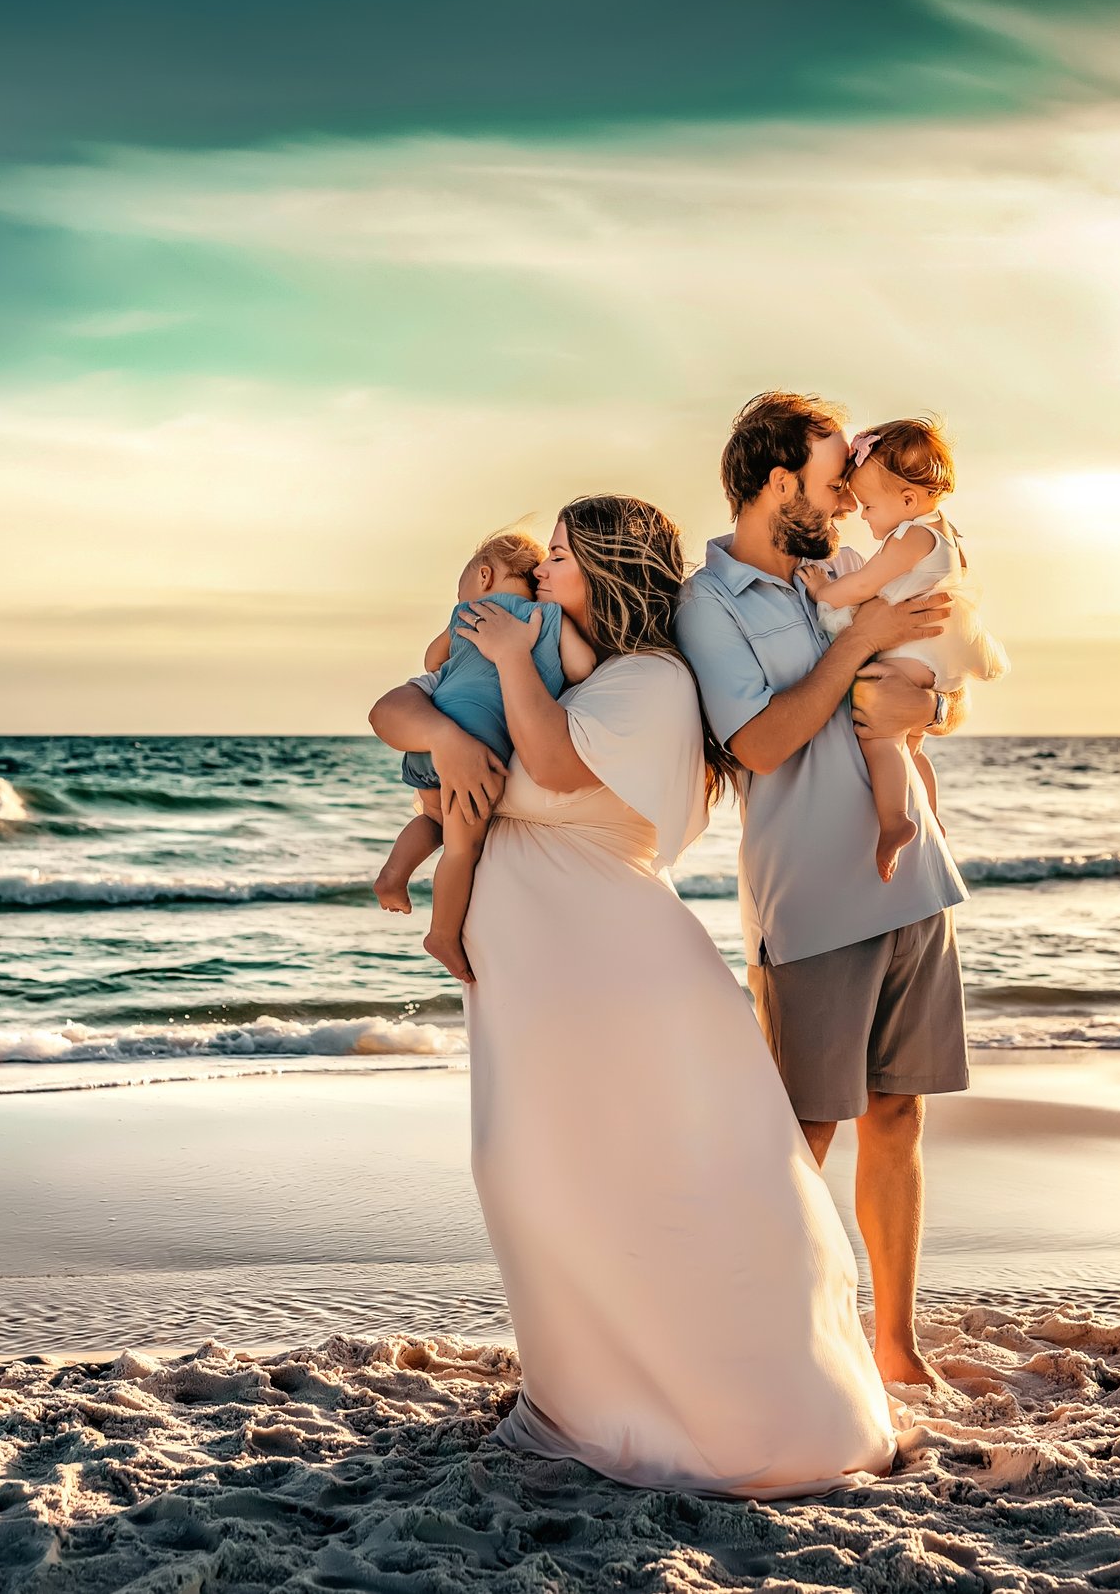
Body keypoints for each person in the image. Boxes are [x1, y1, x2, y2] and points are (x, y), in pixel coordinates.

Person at [367, 494, 899, 1498]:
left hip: (612, 968)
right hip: (541, 973)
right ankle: (590, 1396)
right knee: (531, 1174)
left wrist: (508, 675)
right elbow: (392, 709)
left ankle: (722, 1414)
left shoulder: (649, 680)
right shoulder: (555, 668)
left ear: (606, 566)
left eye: (560, 556)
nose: (542, 572)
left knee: (648, 1187)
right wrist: (442, 734)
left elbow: (558, 764)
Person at [674, 392, 971, 1392]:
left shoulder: (844, 566)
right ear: (775, 483)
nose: (849, 496)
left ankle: (893, 1340)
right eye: (832, 476)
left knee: (899, 1116)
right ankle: (775, 1337)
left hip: (913, 881)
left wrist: (929, 693)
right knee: (802, 1130)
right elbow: (754, 741)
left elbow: (943, 677)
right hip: (810, 899)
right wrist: (853, 650)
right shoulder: (705, 604)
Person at [373, 529, 596, 981]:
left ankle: (393, 876)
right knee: (462, 848)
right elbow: (582, 668)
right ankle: (441, 934)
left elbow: (433, 660)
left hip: (432, 738)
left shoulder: (466, 614)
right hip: (482, 746)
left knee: (433, 819)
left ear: (484, 575)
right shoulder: (548, 616)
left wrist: (459, 628)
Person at [799, 417, 1009, 874]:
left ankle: (895, 821)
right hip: (934, 655)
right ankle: (931, 817)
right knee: (911, 748)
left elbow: (863, 584)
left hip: (915, 653)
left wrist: (821, 592)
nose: (861, 512)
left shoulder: (911, 537)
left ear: (908, 499)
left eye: (870, 504)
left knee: (879, 734)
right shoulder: (944, 532)